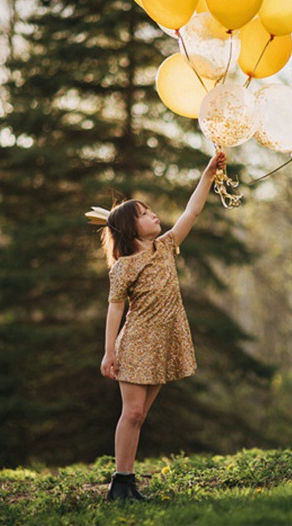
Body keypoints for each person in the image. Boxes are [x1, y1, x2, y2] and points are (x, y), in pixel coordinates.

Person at [87, 151, 226, 502]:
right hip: (136, 342)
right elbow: (114, 310)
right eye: (145, 214)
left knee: (141, 415)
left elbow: (191, 211)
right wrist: (109, 352)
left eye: (151, 211)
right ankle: (120, 482)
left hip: (164, 341)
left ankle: (128, 480)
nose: (154, 214)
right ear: (132, 229)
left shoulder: (165, 247)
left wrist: (208, 174)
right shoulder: (122, 268)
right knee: (131, 412)